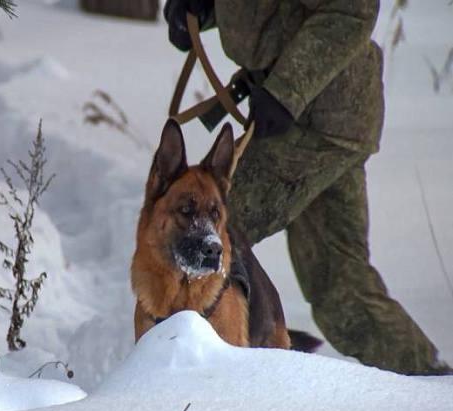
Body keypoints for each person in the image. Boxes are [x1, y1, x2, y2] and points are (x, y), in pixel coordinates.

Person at [163, 0, 451, 375]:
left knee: (203, 228)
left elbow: (352, 10)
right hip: (333, 118)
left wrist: (287, 91)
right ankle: (428, 382)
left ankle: (189, 375)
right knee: (340, 284)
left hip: (315, 117)